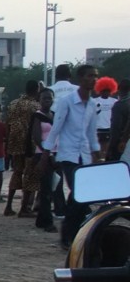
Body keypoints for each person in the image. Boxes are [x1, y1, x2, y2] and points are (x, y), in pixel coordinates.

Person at [42, 64, 101, 249]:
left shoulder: (92, 104)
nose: (94, 79)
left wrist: (97, 154)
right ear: (81, 78)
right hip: (68, 155)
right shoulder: (67, 101)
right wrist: (46, 152)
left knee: (81, 196)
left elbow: (91, 133)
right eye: (90, 76)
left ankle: (74, 232)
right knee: (78, 194)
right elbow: (56, 128)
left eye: (96, 76)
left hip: (84, 155)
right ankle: (69, 234)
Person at [3, 81, 40, 217]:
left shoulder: (13, 104)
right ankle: (24, 208)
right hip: (30, 145)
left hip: (15, 144)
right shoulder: (36, 106)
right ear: (36, 90)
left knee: (17, 173)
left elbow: (7, 124)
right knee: (30, 176)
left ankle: (8, 206)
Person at [29, 89, 56, 232]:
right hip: (43, 154)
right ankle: (47, 221)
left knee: (51, 188)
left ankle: (41, 219)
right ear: (39, 100)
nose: (47, 100)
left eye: (50, 98)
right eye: (45, 98)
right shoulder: (37, 116)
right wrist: (48, 153)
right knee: (46, 189)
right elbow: (37, 137)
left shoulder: (54, 115)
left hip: (55, 154)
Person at [106, 79, 130, 161]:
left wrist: (110, 148)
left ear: (118, 89)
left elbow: (116, 129)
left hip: (121, 145)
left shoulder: (119, 106)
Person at [95, 76, 118, 153]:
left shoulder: (115, 101)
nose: (106, 92)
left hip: (109, 128)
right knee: (97, 150)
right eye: (104, 90)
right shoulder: (94, 101)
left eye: (108, 91)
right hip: (97, 128)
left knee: (106, 150)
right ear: (100, 90)